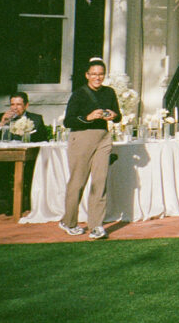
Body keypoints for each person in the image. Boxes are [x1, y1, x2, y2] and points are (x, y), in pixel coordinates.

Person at [60, 59, 121, 239]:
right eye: (93, 74)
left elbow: (118, 116)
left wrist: (114, 115)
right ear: (87, 75)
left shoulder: (109, 92)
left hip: (103, 137)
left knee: (100, 182)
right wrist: (88, 117)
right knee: (78, 182)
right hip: (81, 138)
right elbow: (68, 121)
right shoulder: (79, 94)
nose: (97, 77)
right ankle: (68, 222)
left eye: (100, 74)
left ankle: (96, 225)